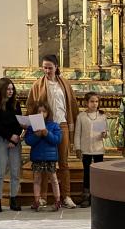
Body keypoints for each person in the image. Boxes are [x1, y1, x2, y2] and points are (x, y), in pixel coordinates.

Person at [26, 55, 79, 208]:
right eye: (45, 67)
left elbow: (72, 105)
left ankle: (66, 196)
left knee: (63, 162)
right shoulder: (37, 85)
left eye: (50, 67)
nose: (47, 70)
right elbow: (31, 106)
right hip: (45, 126)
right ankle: (42, 197)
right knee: (43, 162)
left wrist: (73, 123)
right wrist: (30, 125)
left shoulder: (65, 84)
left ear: (56, 67)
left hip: (61, 125)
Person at [0, 77, 23, 213]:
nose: (10, 91)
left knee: (15, 172)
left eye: (12, 89)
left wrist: (15, 138)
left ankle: (13, 198)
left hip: (15, 142)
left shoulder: (15, 104)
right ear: (1, 89)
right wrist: (9, 137)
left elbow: (19, 123)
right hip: (0, 140)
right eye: (8, 89)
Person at [25, 97, 63, 211]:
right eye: (39, 111)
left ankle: (57, 201)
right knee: (37, 179)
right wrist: (36, 135)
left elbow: (57, 140)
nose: (42, 114)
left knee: (54, 179)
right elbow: (28, 141)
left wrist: (47, 133)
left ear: (48, 113)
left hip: (50, 157)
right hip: (37, 156)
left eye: (44, 111)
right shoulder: (32, 126)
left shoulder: (54, 125)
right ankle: (36, 201)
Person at [74, 91, 108, 206]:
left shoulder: (102, 116)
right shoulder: (81, 116)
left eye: (96, 101)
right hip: (86, 149)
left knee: (98, 173)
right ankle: (86, 196)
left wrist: (104, 134)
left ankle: (98, 196)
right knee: (87, 173)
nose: (94, 104)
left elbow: (106, 133)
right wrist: (78, 148)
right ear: (86, 103)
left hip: (98, 149)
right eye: (92, 101)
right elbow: (77, 133)